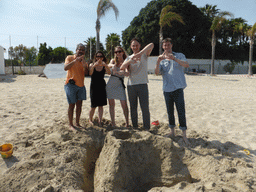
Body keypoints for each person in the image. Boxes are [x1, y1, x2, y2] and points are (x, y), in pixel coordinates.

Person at [155, 38, 190, 144]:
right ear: (162, 47)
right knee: (170, 112)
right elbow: (157, 73)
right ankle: (172, 132)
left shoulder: (179, 55)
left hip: (178, 88)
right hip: (167, 89)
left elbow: (186, 65)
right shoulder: (161, 59)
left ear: (172, 45)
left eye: (168, 45)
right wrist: (158, 61)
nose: (167, 47)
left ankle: (184, 135)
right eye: (165, 45)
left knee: (181, 111)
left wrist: (174, 59)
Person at [120, 38, 154, 130]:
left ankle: (146, 127)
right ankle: (135, 127)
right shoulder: (128, 57)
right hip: (131, 85)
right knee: (133, 108)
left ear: (140, 46)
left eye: (136, 45)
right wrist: (130, 61)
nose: (135, 47)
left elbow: (151, 44)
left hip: (143, 84)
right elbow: (122, 67)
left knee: (145, 108)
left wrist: (140, 53)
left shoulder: (144, 55)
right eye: (133, 45)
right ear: (131, 47)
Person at [64, 43, 88, 131]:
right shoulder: (70, 58)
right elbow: (65, 68)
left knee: (79, 105)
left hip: (81, 85)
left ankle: (77, 123)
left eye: (83, 50)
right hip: (71, 85)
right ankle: (71, 124)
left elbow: (86, 73)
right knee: (71, 105)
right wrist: (75, 61)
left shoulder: (84, 61)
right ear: (76, 50)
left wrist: (85, 66)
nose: (81, 51)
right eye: (79, 49)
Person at [106, 46, 130, 127]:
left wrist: (121, 73)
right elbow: (108, 65)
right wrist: (113, 66)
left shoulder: (125, 61)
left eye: (119, 51)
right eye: (116, 52)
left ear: (123, 52)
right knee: (111, 105)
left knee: (124, 105)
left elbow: (127, 73)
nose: (118, 53)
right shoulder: (113, 60)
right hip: (110, 84)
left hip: (120, 85)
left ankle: (127, 123)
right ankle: (113, 123)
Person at [89, 51, 111, 126]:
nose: (99, 58)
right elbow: (90, 73)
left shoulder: (104, 65)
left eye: (101, 56)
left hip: (102, 86)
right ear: (95, 57)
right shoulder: (92, 65)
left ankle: (100, 121)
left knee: (101, 105)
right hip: (94, 86)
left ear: (103, 57)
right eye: (97, 56)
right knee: (93, 105)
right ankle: (90, 120)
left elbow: (109, 73)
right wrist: (94, 66)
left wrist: (106, 66)